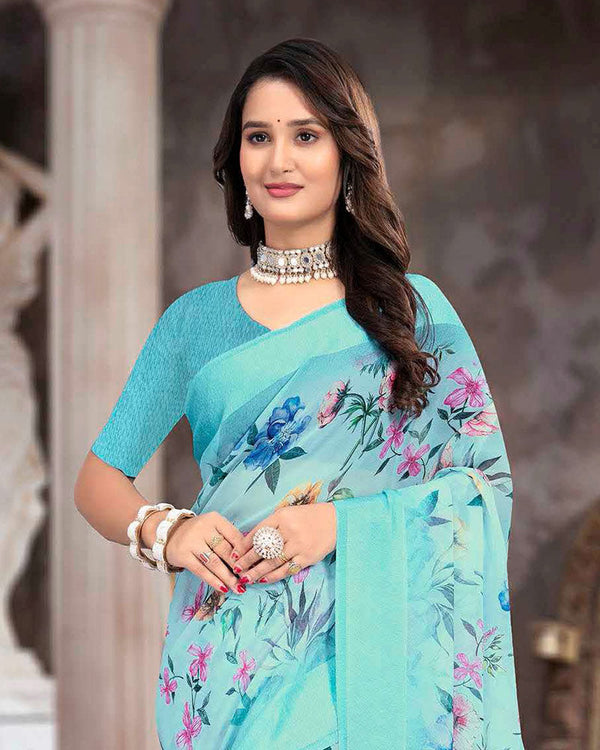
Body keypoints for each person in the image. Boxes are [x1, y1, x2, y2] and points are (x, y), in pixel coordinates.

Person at [75, 37, 525, 750]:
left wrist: (339, 527)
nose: (278, 160)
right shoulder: (194, 322)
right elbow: (98, 480)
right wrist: (171, 532)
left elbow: (484, 492)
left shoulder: (412, 312)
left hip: (368, 663)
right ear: (236, 159)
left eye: (306, 136)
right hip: (226, 663)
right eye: (259, 137)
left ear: (347, 155)